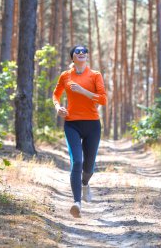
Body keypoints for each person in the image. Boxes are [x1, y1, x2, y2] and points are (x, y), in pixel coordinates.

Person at [52, 45, 107, 218]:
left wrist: (83, 91)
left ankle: (85, 183)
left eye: (84, 52)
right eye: (78, 52)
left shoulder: (95, 75)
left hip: (92, 125)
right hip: (72, 124)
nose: (82, 54)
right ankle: (77, 203)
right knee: (77, 162)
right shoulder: (65, 76)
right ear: (72, 58)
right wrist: (58, 107)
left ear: (87, 57)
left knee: (89, 166)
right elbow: (56, 94)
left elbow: (103, 99)